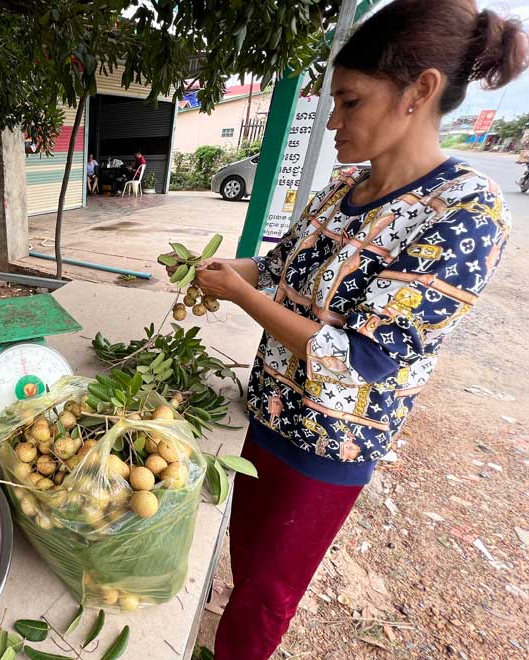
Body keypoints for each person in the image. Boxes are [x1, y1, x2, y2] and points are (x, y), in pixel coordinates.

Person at [187, 2, 527, 657]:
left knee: (268, 594)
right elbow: (278, 267)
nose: (334, 121)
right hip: (263, 413)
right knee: (245, 559)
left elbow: (363, 358)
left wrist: (239, 297)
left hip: (325, 447)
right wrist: (233, 269)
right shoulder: (342, 188)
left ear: (419, 92)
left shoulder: (466, 214)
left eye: (350, 101)